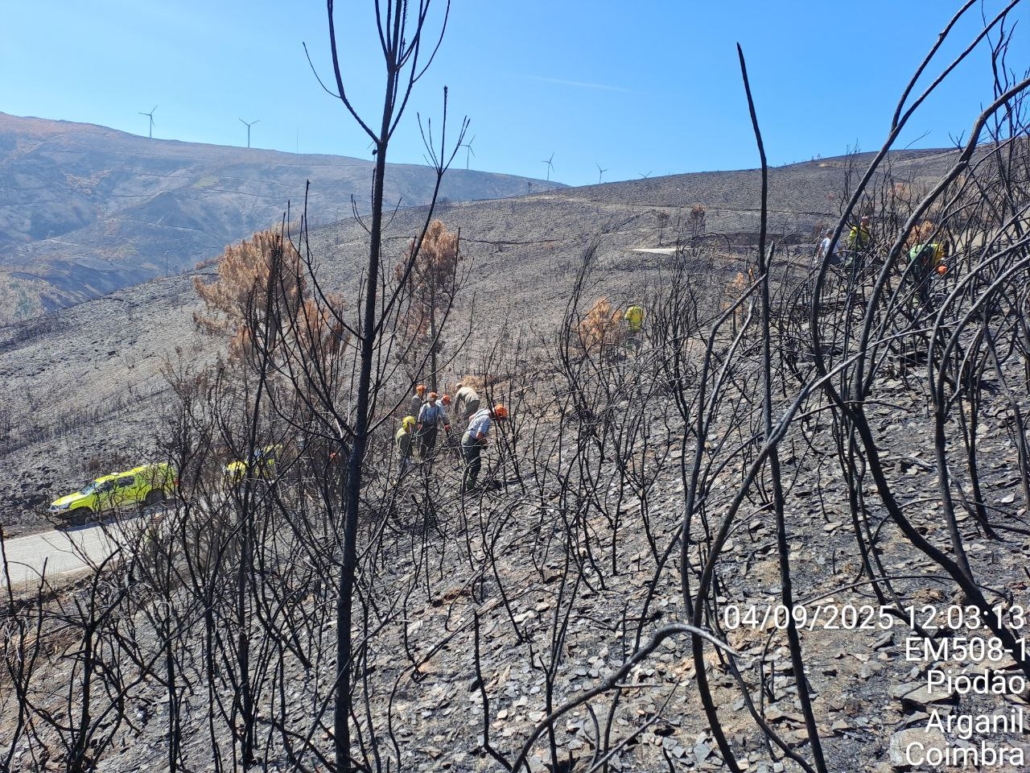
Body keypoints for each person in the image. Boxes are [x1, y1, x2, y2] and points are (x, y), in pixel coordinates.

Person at [461, 403, 508, 493]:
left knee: (468, 463)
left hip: (467, 437)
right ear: (497, 414)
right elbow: (479, 436)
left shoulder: (483, 411)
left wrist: (474, 427)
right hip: (471, 440)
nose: (499, 420)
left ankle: (463, 488)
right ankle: (469, 489)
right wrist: (485, 443)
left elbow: (470, 418)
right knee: (475, 464)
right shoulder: (486, 419)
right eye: (500, 418)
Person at [907, 242, 949, 310]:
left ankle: (921, 298)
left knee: (920, 278)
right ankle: (916, 302)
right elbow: (932, 264)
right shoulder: (937, 251)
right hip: (916, 255)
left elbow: (932, 264)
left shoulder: (937, 248)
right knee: (919, 280)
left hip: (913, 253)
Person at [416, 391, 450, 460]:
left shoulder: (438, 407)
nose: (432, 401)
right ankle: (422, 457)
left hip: (434, 426)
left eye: (433, 400)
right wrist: (419, 423)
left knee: (432, 441)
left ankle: (430, 456)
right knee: (424, 441)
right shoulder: (425, 406)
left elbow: (443, 416)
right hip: (425, 425)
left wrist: (446, 424)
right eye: (431, 400)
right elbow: (421, 415)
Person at [395, 416, 415, 482]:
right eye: (411, 426)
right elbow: (403, 448)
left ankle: (398, 485)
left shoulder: (401, 430)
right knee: (401, 474)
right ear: (408, 424)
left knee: (401, 473)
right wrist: (406, 459)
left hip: (399, 455)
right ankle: (396, 485)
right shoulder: (404, 435)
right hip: (402, 457)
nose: (412, 428)